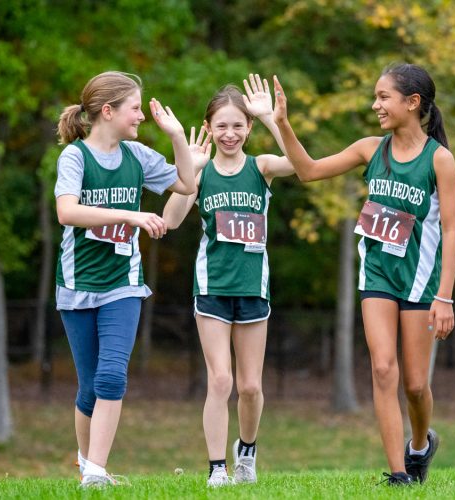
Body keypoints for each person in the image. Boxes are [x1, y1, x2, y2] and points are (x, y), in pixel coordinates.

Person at [272, 64, 455, 486]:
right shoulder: (369, 149)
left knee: (414, 385)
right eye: (375, 97)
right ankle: (398, 474)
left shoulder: (440, 160)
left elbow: (451, 231)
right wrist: (282, 123)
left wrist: (444, 296)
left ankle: (419, 446)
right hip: (376, 274)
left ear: (412, 103)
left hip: (419, 282)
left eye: (383, 97)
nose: (375, 105)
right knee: (382, 369)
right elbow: (308, 171)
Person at [54, 71, 197, 488]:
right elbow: (67, 212)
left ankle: (96, 473)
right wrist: (129, 214)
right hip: (77, 286)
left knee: (112, 376)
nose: (141, 115)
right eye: (135, 107)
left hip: (123, 283)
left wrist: (176, 137)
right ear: (108, 110)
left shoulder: (138, 155)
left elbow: (187, 183)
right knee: (88, 389)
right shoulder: (75, 157)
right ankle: (87, 464)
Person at [162, 74, 295, 487]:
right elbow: (169, 220)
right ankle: (216, 468)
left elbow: (300, 163)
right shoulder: (200, 174)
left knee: (251, 387)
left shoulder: (262, 167)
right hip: (214, 287)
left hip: (254, 288)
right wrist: (191, 170)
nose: (230, 133)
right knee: (221, 380)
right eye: (221, 125)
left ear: (248, 128)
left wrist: (271, 117)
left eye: (238, 125)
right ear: (209, 128)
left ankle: (247, 454)